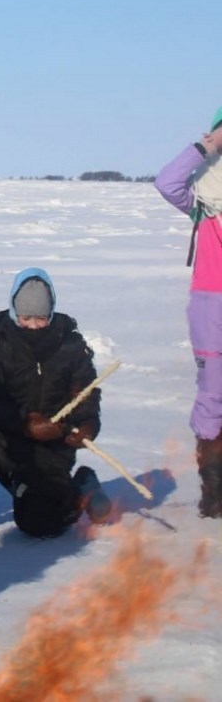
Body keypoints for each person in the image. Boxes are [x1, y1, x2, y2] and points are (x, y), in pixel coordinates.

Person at [0, 268, 112, 537]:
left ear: (52, 312)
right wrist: (24, 423)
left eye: (41, 319)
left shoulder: (70, 347)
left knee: (40, 523)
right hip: (6, 434)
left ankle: (81, 487)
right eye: (26, 318)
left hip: (52, 443)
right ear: (14, 312)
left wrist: (87, 424)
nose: (33, 326)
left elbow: (85, 392)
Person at [154, 105, 222, 517]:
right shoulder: (203, 199)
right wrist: (208, 144)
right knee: (214, 396)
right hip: (211, 304)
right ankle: (215, 490)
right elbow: (167, 182)